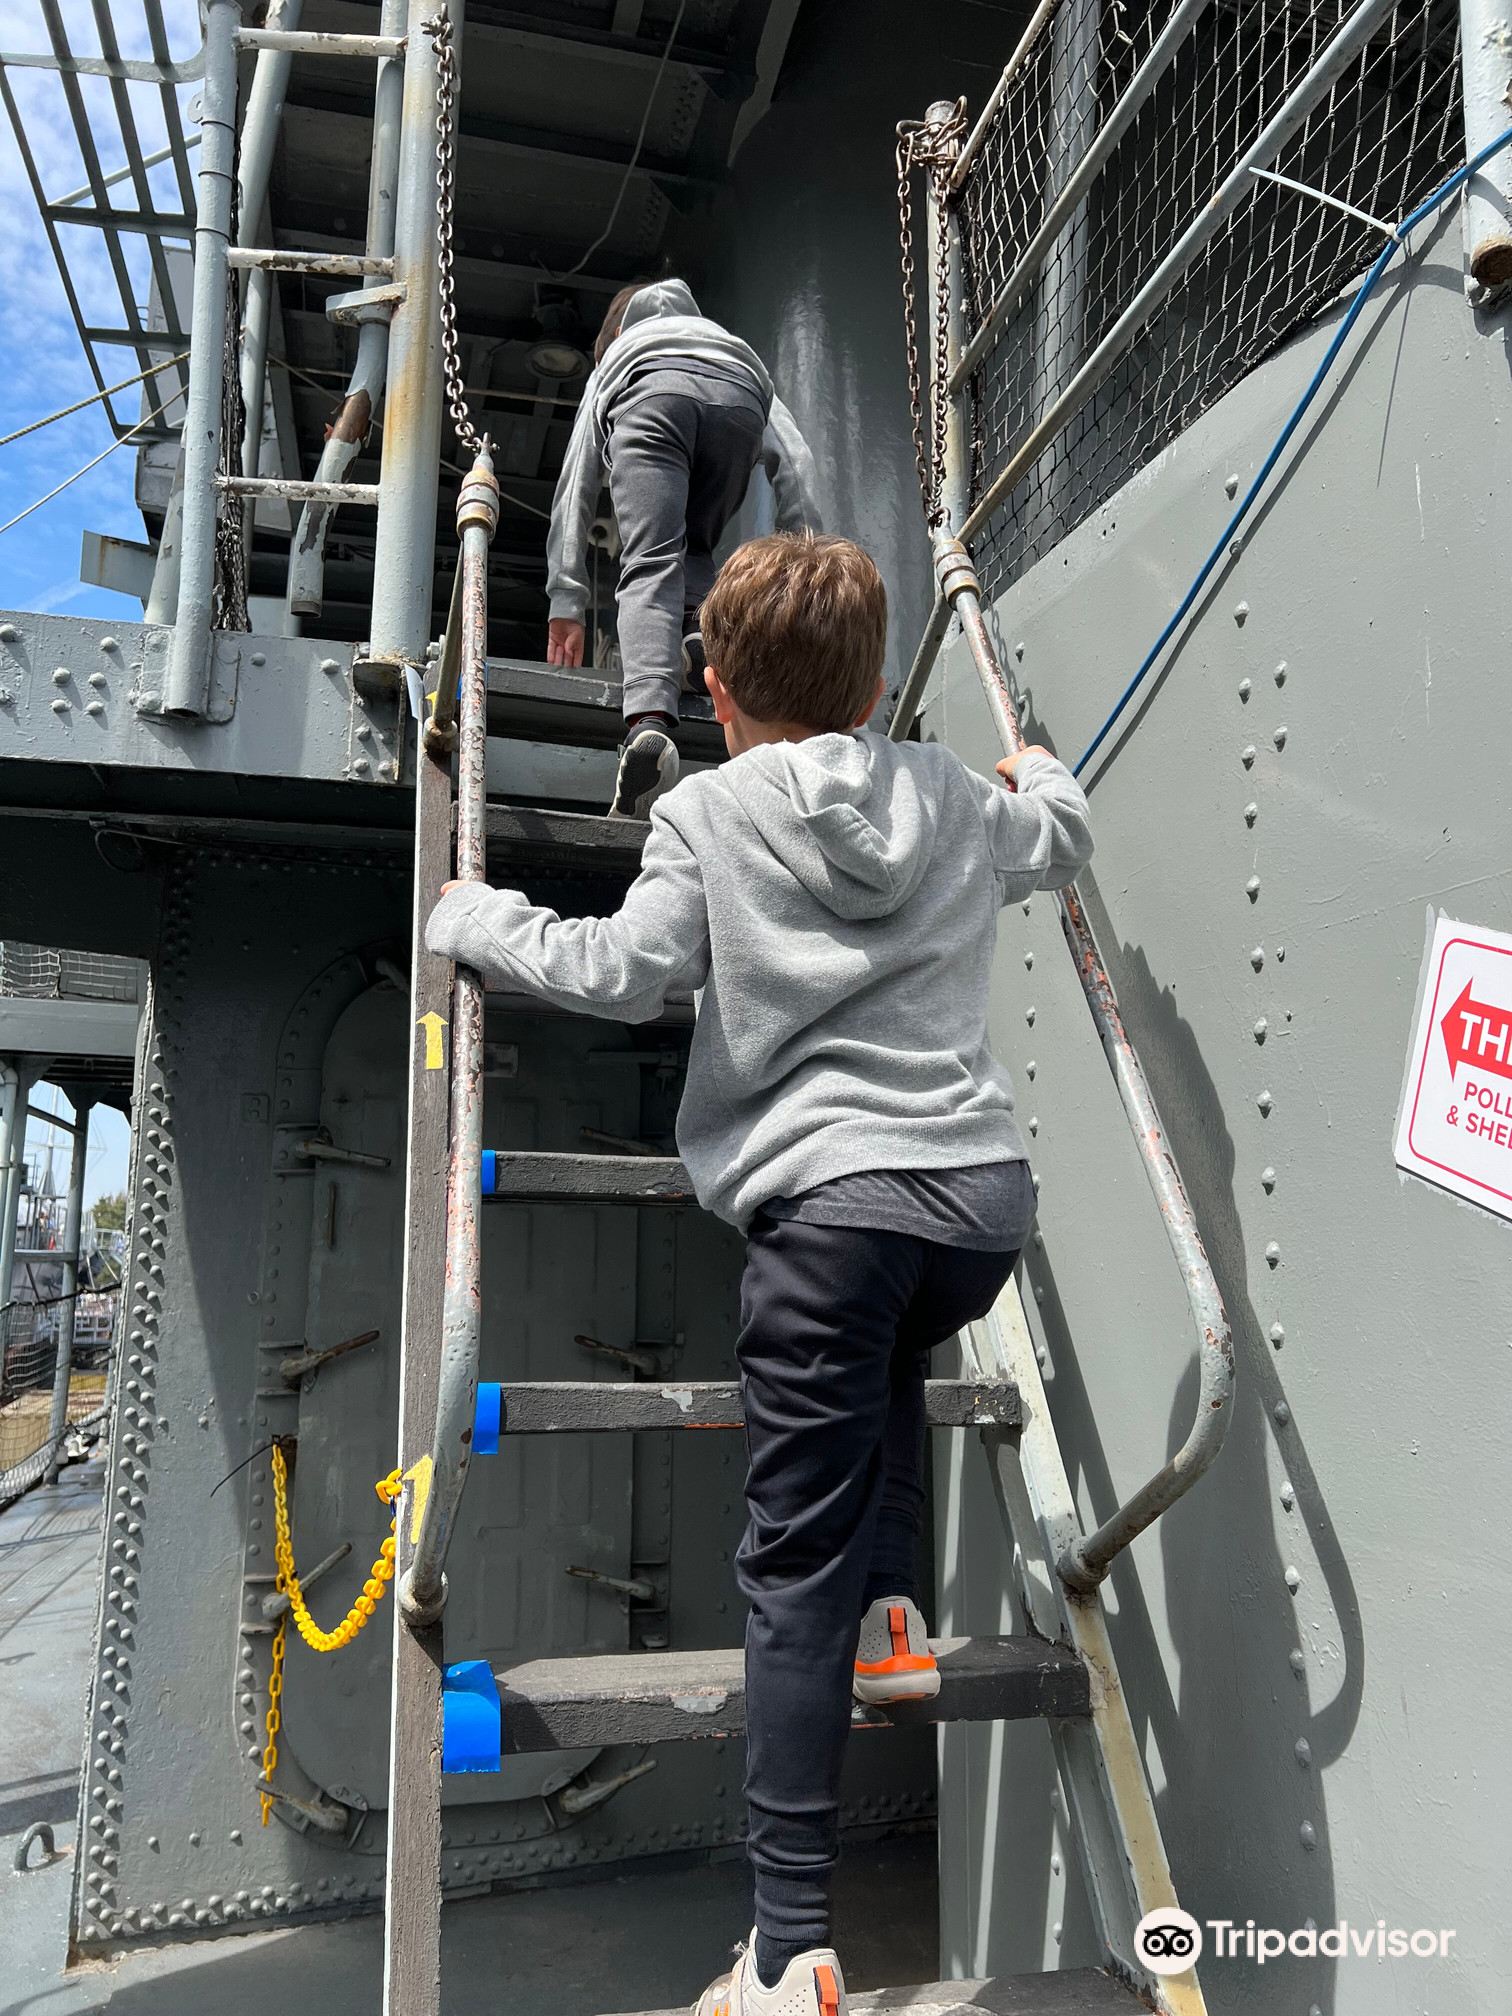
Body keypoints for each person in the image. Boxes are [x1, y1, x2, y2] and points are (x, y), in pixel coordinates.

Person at [426, 533, 1094, 2016]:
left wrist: (473, 917)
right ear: (869, 686)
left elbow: (620, 975)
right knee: (895, 1371)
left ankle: (790, 1949)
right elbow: (1059, 833)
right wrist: (1036, 770)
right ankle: (901, 1616)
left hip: (832, 1220)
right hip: (978, 1216)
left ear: (716, 691)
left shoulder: (706, 810)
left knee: (785, 1583)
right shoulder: (945, 792)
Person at [544, 278, 821, 819]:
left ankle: (649, 725)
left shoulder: (623, 352)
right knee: (694, 543)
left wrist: (566, 600)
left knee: (651, 557)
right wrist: (807, 564)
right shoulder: (723, 341)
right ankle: (700, 634)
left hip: (652, 402)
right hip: (739, 403)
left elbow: (575, 483)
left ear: (618, 332)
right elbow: (797, 463)